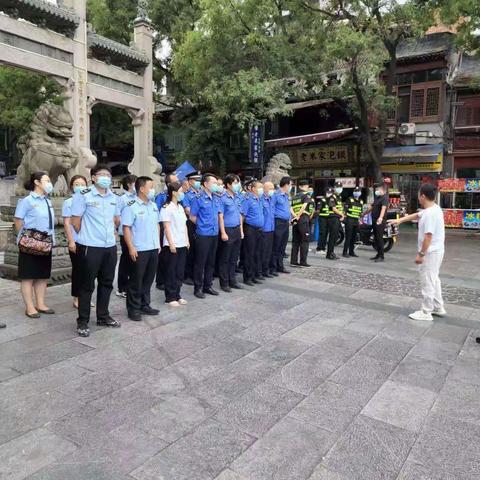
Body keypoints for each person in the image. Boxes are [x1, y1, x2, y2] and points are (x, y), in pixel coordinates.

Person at [71, 164, 121, 337]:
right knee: (86, 285)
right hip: (90, 247)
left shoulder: (114, 197)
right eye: (101, 174)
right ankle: (83, 321)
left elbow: (116, 219)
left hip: (110, 247)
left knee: (107, 282)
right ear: (93, 178)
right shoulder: (83, 195)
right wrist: (86, 236)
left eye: (108, 174)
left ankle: (103, 315)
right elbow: (75, 221)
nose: (106, 177)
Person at [389, 183, 446, 321]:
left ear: (423, 196)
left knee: (427, 280)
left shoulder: (430, 214)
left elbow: (428, 236)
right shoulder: (433, 208)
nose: (418, 198)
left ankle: (426, 311)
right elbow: (417, 215)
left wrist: (421, 254)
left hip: (431, 253)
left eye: (419, 195)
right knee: (434, 279)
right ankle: (438, 307)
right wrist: (400, 220)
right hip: (437, 250)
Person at [14, 171, 56, 318]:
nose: (49, 183)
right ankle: (30, 307)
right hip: (30, 243)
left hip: (45, 243)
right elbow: (18, 220)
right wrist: (24, 239)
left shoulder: (47, 200)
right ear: (37, 182)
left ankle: (40, 303)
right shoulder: (27, 200)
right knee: (28, 276)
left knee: (42, 275)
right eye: (46, 180)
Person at [121, 176, 160, 321]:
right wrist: (131, 248)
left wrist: (158, 244)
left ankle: (145, 304)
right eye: (151, 187)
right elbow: (126, 228)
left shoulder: (153, 205)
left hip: (153, 247)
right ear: (142, 189)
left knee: (149, 279)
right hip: (139, 248)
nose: (153, 190)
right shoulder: (131, 206)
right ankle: (133, 309)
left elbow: (157, 224)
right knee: (136, 280)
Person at [190, 173, 222, 298]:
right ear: (205, 184)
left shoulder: (216, 197)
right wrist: (202, 225)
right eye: (213, 183)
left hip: (214, 233)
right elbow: (192, 217)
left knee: (211, 261)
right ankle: (198, 288)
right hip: (203, 234)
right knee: (200, 262)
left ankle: (208, 286)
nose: (216, 185)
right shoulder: (198, 198)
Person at [160, 181, 190, 306]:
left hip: (182, 243)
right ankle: (170, 297)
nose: (182, 193)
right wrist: (171, 243)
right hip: (171, 245)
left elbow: (184, 226)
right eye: (181, 191)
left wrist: (187, 240)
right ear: (173, 193)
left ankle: (177, 295)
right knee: (171, 271)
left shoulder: (180, 207)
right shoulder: (166, 208)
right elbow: (166, 227)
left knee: (179, 271)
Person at [63, 175, 88, 309]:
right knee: (78, 271)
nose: (80, 187)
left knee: (89, 271)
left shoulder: (90, 200)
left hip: (91, 241)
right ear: (72, 186)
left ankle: (86, 296)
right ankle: (77, 297)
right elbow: (67, 224)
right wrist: (71, 240)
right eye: (76, 184)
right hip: (77, 241)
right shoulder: (69, 202)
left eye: (82, 184)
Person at [218, 174, 244, 292]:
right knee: (225, 258)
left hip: (237, 229)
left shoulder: (238, 197)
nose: (237, 185)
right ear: (228, 185)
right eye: (235, 183)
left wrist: (241, 230)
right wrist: (223, 232)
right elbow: (221, 216)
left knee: (234, 257)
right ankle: (224, 283)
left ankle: (232, 280)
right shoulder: (223, 198)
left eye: (238, 182)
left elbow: (239, 215)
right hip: (227, 230)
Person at [155, 172, 179, 290]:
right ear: (169, 184)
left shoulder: (178, 196)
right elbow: (159, 214)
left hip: (175, 228)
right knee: (164, 255)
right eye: (175, 181)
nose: (178, 183)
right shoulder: (161, 196)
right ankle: (160, 281)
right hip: (164, 227)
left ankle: (171, 278)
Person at [116, 174, 137, 298]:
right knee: (125, 260)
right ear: (129, 184)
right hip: (125, 233)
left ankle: (131, 285)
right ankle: (122, 287)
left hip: (136, 233)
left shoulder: (138, 198)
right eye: (135, 182)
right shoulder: (122, 199)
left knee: (133, 260)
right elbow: (117, 217)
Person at [242, 180, 265, 286]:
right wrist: (241, 230)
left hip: (259, 229)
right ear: (253, 188)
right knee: (249, 254)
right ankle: (248, 277)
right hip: (250, 229)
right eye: (259, 187)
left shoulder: (259, 199)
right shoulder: (248, 199)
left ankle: (254, 275)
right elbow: (243, 216)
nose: (261, 189)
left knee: (257, 253)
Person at [183, 171, 202, 285]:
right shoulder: (187, 195)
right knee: (190, 250)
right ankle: (187, 275)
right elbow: (187, 210)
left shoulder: (200, 193)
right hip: (191, 224)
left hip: (200, 224)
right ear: (190, 181)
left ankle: (196, 274)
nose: (199, 182)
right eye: (197, 180)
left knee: (198, 251)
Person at [362, 182, 389, 262]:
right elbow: (371, 207)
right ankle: (378, 254)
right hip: (374, 220)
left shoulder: (385, 198)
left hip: (379, 221)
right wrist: (363, 213)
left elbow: (383, 208)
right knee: (376, 238)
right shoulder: (378, 198)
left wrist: (380, 218)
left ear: (383, 190)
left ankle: (381, 256)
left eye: (378, 189)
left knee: (379, 238)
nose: (376, 190)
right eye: (376, 189)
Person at [271, 176, 292, 274]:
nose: (291, 186)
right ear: (286, 184)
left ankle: (280, 265)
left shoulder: (286, 196)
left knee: (282, 246)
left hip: (285, 222)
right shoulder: (276, 194)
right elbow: (272, 209)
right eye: (290, 184)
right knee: (276, 245)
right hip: (278, 222)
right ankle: (273, 267)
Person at [290, 179, 314, 267]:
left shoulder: (295, 196)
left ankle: (293, 261)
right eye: (307, 186)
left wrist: (295, 216)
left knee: (295, 241)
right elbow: (304, 207)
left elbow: (291, 208)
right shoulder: (306, 196)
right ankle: (303, 262)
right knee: (304, 240)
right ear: (306, 186)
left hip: (295, 220)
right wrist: (299, 216)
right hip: (303, 218)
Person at [342, 186, 364, 258]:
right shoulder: (350, 199)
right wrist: (344, 217)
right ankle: (345, 252)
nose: (357, 192)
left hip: (356, 221)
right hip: (349, 220)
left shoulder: (361, 201)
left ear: (360, 193)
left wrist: (361, 219)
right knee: (348, 237)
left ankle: (351, 252)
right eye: (355, 191)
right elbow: (345, 209)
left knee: (353, 238)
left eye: (358, 191)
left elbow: (360, 212)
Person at [261, 181, 275, 278]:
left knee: (269, 251)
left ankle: (266, 270)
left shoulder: (271, 199)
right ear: (264, 189)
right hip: (264, 229)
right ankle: (260, 271)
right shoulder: (261, 200)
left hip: (271, 229)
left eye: (273, 189)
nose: (272, 191)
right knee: (262, 252)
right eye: (270, 189)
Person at [326, 184, 344, 260]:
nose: (339, 189)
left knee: (335, 236)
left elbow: (340, 208)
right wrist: (342, 215)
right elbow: (334, 208)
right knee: (332, 236)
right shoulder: (332, 197)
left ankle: (331, 252)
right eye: (337, 187)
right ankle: (329, 254)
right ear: (334, 188)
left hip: (337, 218)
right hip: (333, 218)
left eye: (340, 187)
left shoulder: (339, 197)